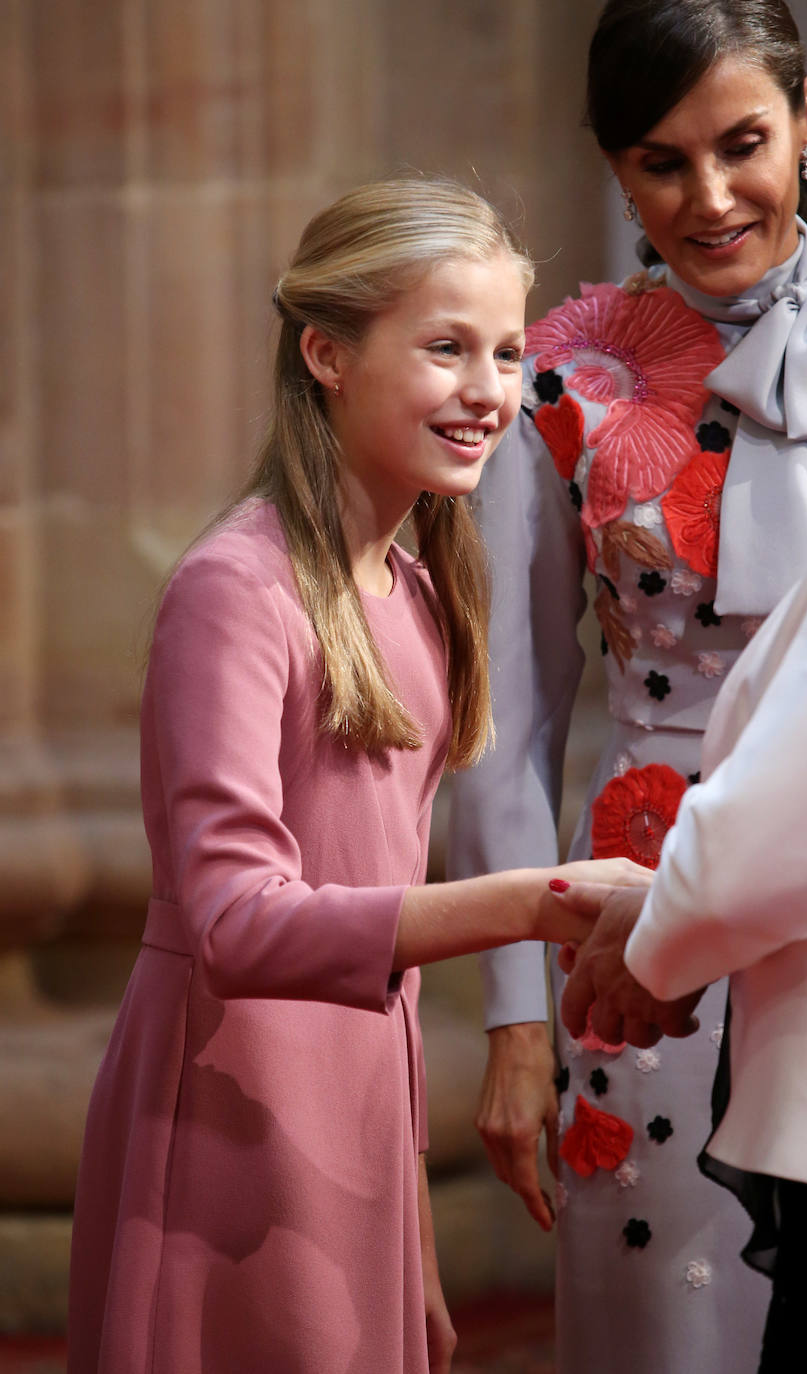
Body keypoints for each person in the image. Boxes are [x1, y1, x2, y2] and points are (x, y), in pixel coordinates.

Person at [65, 176, 647, 1374]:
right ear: (327, 353)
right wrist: (537, 901)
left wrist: (408, 1226)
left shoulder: (423, 593)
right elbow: (234, 922)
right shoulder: (236, 589)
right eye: (444, 349)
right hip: (233, 1118)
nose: (488, 392)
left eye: (503, 352)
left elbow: (377, 945)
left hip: (355, 1125)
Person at [446, 4, 807, 1371]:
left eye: (743, 144)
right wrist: (521, 1015)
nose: (709, 198)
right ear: (612, 169)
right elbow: (501, 729)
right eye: (658, 161)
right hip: (638, 930)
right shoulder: (561, 385)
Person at [555, 150, 807, 1370]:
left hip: (745, 922)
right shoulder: (568, 369)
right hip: (651, 849)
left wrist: (655, 945)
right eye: (658, 154)